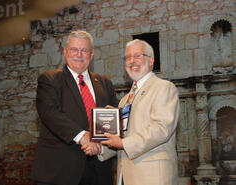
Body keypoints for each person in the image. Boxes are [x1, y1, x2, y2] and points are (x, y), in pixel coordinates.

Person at [31, 30, 117, 185]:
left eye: (84, 50)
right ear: (65, 52)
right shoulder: (50, 80)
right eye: (74, 49)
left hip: (99, 171)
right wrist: (83, 136)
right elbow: (50, 114)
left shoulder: (105, 83)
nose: (79, 55)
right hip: (60, 172)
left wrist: (101, 146)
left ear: (91, 55)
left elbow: (111, 124)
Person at [98, 39, 180, 185]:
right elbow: (122, 138)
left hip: (153, 175)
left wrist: (123, 143)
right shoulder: (124, 100)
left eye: (138, 56)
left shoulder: (164, 88)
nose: (132, 61)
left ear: (151, 61)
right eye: (128, 57)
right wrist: (99, 148)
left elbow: (161, 129)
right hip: (125, 175)